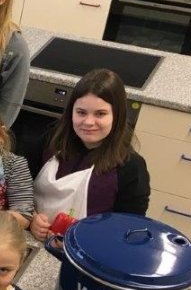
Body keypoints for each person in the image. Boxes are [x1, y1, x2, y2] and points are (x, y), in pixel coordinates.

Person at [30, 69, 150, 241]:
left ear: (117, 116)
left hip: (87, 254)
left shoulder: (131, 166)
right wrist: (31, 218)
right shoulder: (50, 141)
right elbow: (19, 187)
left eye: (100, 114)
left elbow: (130, 229)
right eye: (81, 112)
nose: (88, 122)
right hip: (32, 242)